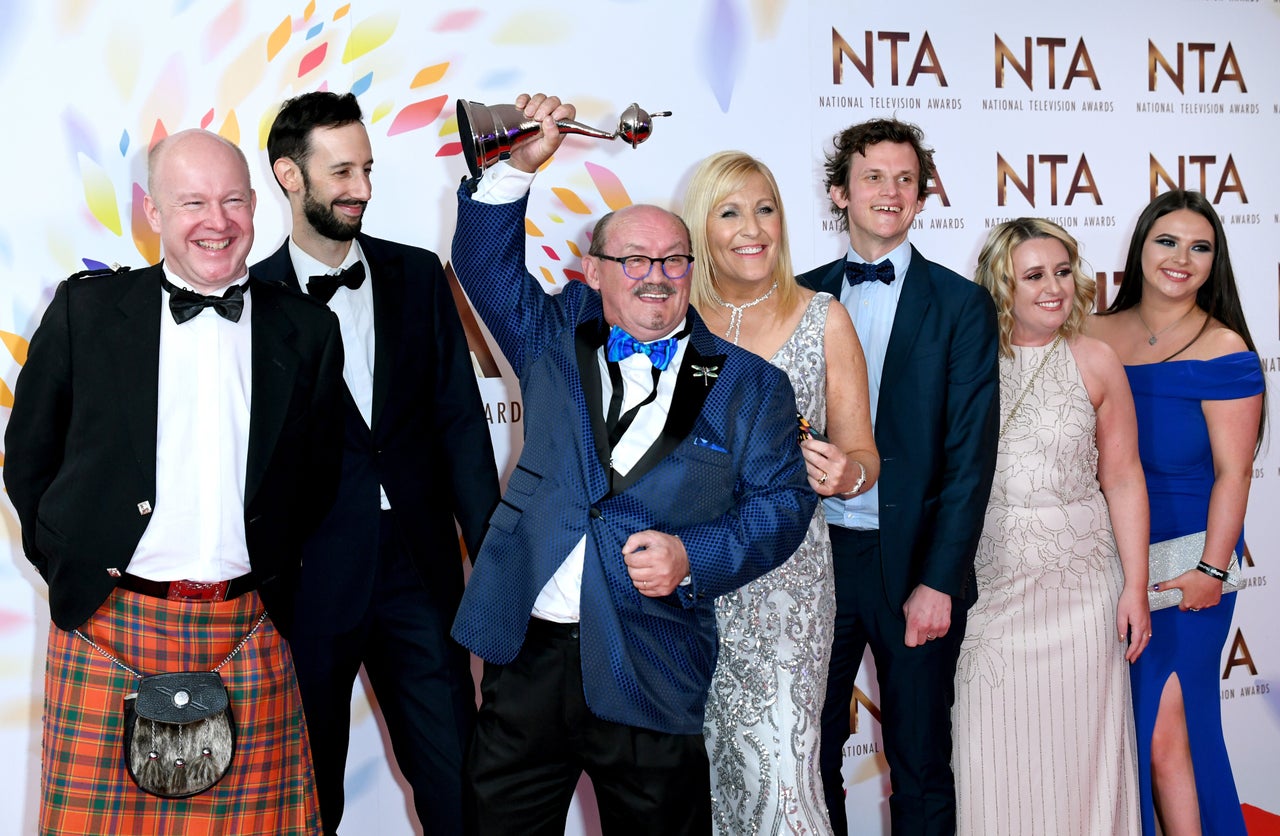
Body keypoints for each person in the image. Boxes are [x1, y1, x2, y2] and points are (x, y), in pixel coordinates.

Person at [448, 94, 817, 836]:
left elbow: (782, 506)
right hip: (531, 654)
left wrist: (693, 555)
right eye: (635, 259)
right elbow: (481, 263)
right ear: (593, 270)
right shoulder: (554, 335)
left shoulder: (750, 385)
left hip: (653, 658)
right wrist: (519, 166)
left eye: (674, 259)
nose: (657, 275)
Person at [3, 129, 345, 835]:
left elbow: (318, 480)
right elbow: (28, 458)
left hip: (248, 632)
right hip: (110, 631)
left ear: (257, 206)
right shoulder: (87, 313)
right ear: (154, 214)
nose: (216, 222)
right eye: (192, 202)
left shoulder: (308, 332)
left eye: (232, 201)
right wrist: (77, 566)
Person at [252, 91, 499, 835]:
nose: (360, 187)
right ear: (289, 177)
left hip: (419, 573)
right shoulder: (250, 300)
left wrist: (490, 566)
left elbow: (460, 423)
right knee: (305, 793)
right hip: (307, 578)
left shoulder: (419, 275)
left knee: (459, 781)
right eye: (340, 172)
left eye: (365, 168)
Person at [797, 118, 999, 835]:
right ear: (839, 193)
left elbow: (970, 457)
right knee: (807, 758)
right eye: (874, 176)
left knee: (919, 762)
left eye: (905, 179)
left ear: (921, 198)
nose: (891, 191)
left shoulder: (961, 305)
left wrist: (940, 580)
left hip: (913, 565)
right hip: (810, 562)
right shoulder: (797, 298)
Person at [682, 150, 879, 835]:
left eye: (765, 208)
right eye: (730, 212)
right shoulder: (674, 316)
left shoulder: (824, 317)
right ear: (701, 228)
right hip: (691, 574)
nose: (752, 228)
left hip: (788, 581)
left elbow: (863, 453)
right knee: (705, 782)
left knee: (785, 773)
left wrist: (846, 474)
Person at [953, 218, 1150, 835]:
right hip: (993, 585)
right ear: (1001, 284)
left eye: (1062, 272)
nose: (1053, 288)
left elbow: (1122, 478)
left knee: (1083, 757)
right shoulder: (967, 357)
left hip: (1084, 589)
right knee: (991, 757)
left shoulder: (1095, 359)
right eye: (1033, 275)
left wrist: (1135, 587)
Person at [1087, 190, 1265, 836]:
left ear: (1214, 262)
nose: (1180, 258)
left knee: (1169, 734)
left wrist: (1211, 572)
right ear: (1140, 246)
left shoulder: (1225, 349)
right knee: (1127, 735)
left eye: (1200, 247)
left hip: (1188, 568)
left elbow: (1234, 473)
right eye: (1167, 241)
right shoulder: (1093, 331)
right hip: (1105, 561)